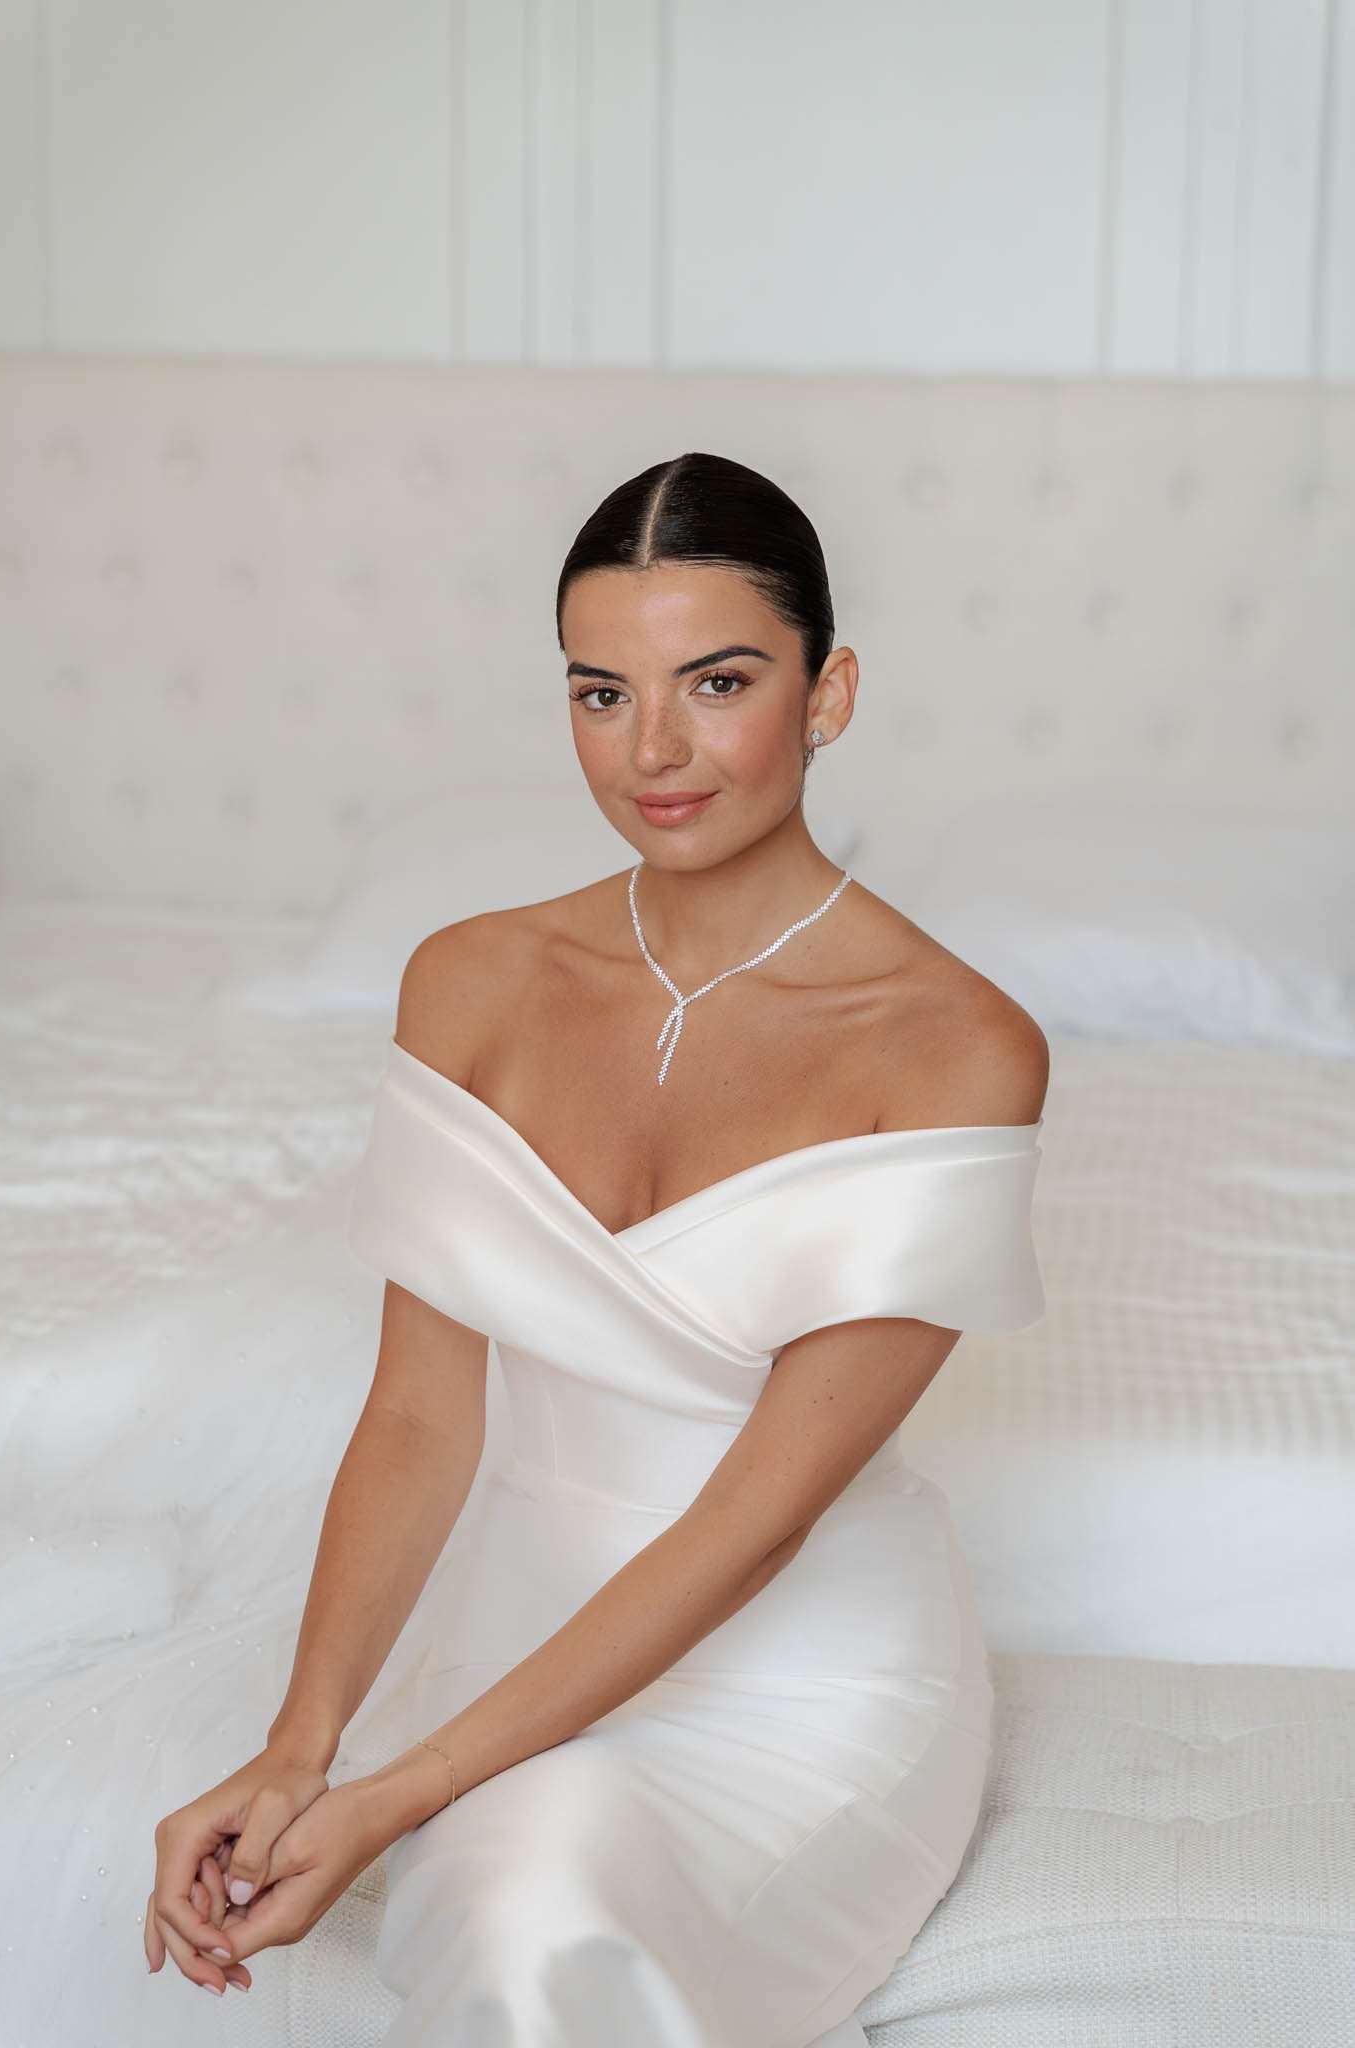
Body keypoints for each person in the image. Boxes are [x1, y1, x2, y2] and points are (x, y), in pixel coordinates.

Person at [144, 450, 1048, 2045]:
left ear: (828, 694)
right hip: (518, 1619)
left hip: (804, 1672)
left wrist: (401, 1793)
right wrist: (304, 1744)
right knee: (519, 1890)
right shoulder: (469, 981)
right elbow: (419, 1415)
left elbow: (756, 1526)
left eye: (719, 683)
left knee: (536, 1918)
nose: (653, 753)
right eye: (600, 693)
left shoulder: (954, 1046)